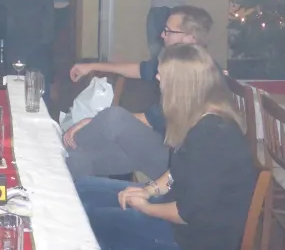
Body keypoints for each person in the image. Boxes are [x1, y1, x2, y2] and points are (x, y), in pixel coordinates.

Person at [78, 43, 257, 250]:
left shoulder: (211, 135)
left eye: (162, 74)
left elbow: (187, 213)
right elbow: (177, 171)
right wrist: (149, 190)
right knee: (83, 188)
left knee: (88, 218)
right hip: (175, 209)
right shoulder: (198, 116)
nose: (157, 78)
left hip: (190, 239)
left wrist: (145, 208)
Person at [64, 5, 213, 180]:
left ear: (190, 38)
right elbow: (139, 69)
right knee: (78, 160)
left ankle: (60, 147)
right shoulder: (175, 62)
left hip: (174, 161)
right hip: (158, 142)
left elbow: (148, 119)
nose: (162, 35)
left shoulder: (201, 74)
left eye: (168, 31)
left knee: (114, 118)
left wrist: (92, 121)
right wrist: (91, 66)